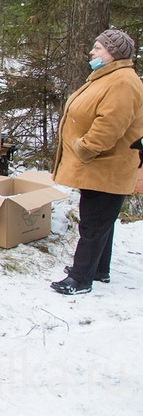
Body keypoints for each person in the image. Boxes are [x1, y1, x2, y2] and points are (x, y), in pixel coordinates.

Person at [50, 29, 143, 295]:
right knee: (101, 220)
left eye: (98, 48)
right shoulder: (109, 76)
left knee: (93, 223)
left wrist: (84, 148)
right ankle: (99, 270)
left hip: (107, 164)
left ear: (114, 53)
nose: (93, 52)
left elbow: (109, 126)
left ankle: (80, 279)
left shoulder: (123, 81)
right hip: (101, 165)